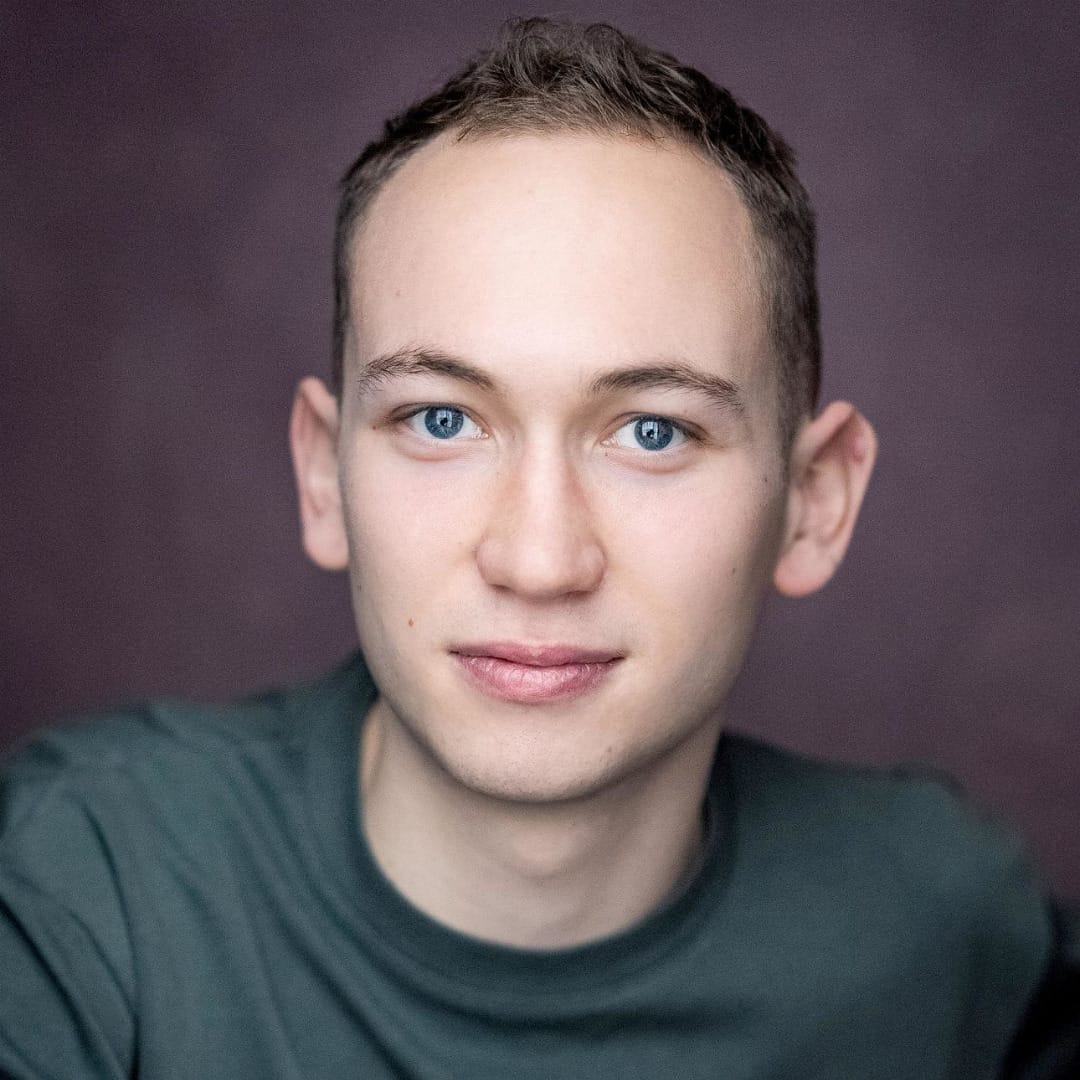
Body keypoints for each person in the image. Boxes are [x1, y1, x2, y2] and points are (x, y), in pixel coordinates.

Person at [1, 17, 1075, 1079]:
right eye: (440, 420)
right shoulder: (84, 893)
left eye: (654, 432)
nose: (539, 558)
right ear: (324, 476)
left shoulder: (948, 929)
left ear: (814, 501)